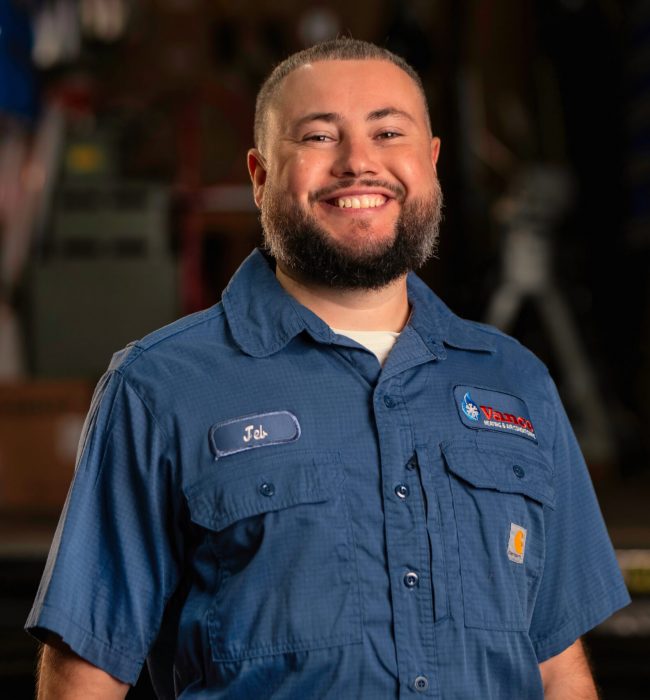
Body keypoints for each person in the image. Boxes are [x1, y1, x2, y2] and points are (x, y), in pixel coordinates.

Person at [27, 38, 630, 699]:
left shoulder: (515, 381)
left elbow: (557, 664)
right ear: (260, 176)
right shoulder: (158, 387)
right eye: (319, 136)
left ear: (429, 163)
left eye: (388, 131)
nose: (359, 163)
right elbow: (86, 673)